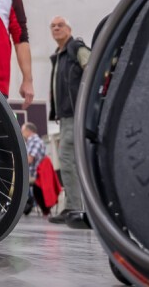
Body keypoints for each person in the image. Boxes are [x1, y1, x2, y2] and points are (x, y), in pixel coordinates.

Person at [47, 16, 90, 228]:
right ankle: (75, 205)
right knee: (70, 159)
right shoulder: (60, 55)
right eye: (53, 26)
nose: (56, 28)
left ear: (69, 28)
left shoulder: (76, 48)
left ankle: (75, 207)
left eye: (60, 25)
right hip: (65, 117)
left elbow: (93, 69)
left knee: (66, 157)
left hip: (76, 114)